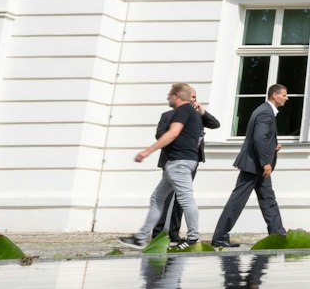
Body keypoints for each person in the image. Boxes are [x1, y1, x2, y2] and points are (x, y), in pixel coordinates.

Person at [119, 82, 204, 247]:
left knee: (186, 199)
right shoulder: (192, 113)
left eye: (169, 95)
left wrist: (148, 151)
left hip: (179, 162)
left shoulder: (183, 110)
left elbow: (173, 133)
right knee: (157, 198)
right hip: (177, 162)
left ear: (177, 95)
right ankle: (141, 237)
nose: (168, 98)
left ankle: (193, 238)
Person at [210, 84, 288, 249]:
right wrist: (265, 162)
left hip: (256, 165)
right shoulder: (266, 112)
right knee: (237, 200)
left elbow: (262, 138)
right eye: (284, 95)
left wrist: (273, 145)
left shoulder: (264, 110)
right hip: (254, 165)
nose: (286, 98)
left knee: (268, 199)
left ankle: (278, 234)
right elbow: (258, 138)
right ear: (274, 95)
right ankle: (219, 237)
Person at [165, 87, 220, 240]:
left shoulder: (197, 116)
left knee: (182, 198)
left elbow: (216, 124)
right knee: (164, 196)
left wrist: (202, 111)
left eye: (194, 97)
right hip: (174, 159)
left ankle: (174, 233)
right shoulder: (171, 115)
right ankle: (158, 233)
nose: (192, 100)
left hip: (192, 160)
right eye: (190, 97)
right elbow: (161, 134)